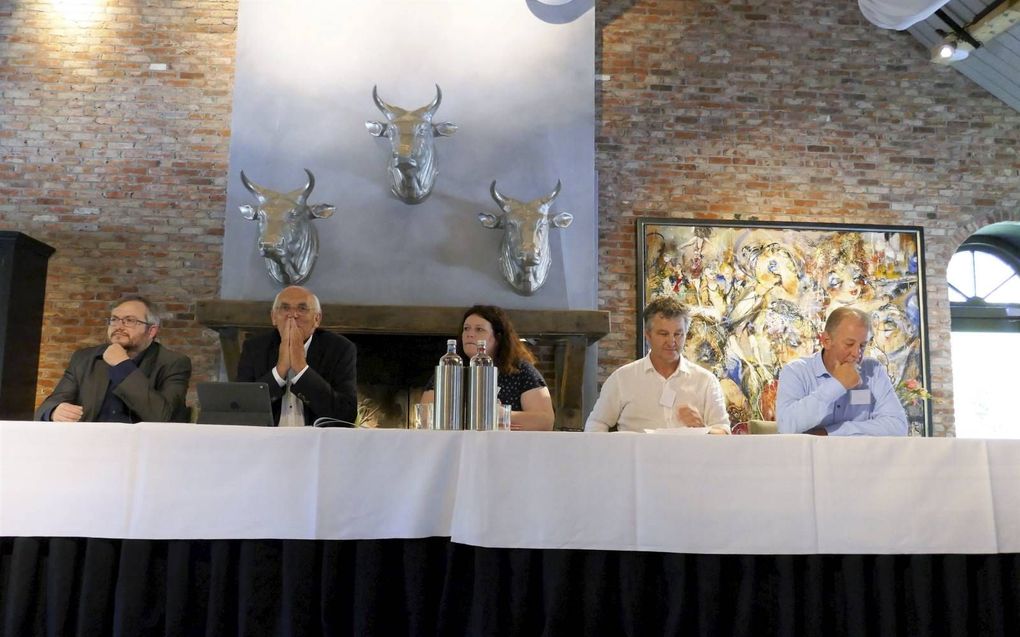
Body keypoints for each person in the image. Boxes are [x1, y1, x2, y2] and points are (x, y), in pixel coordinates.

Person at [35, 296, 192, 423]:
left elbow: (163, 417)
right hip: (89, 446)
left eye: (129, 321)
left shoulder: (173, 363)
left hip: (143, 449)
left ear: (151, 331)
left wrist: (122, 366)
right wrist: (54, 412)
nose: (119, 326)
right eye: (114, 319)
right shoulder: (84, 358)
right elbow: (45, 408)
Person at [584, 297, 730, 433]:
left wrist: (702, 429)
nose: (672, 341)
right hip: (636, 460)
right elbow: (596, 425)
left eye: (678, 334)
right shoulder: (622, 379)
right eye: (663, 334)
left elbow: (724, 433)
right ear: (648, 335)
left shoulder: (705, 381)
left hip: (688, 460)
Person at [775, 306, 907, 436]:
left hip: (859, 456)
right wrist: (837, 384)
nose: (857, 353)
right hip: (810, 457)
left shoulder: (874, 371)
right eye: (849, 344)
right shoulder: (796, 371)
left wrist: (830, 433)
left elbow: (897, 426)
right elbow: (786, 426)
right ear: (826, 341)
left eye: (862, 345)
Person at [236, 285, 357, 426]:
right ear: (274, 317)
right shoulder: (254, 348)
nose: (292, 315)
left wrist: (301, 369)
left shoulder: (339, 349)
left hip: (316, 442)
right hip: (267, 441)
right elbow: (240, 407)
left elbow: (346, 415)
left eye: (302, 309)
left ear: (317, 319)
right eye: (285, 308)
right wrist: (280, 370)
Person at [422, 305, 554, 430]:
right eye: (466, 328)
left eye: (479, 329)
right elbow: (425, 416)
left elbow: (545, 421)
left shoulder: (520, 370)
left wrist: (501, 415)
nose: (470, 334)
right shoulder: (450, 368)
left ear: (498, 337)